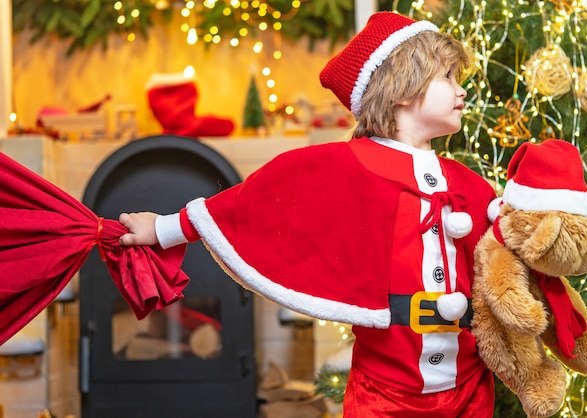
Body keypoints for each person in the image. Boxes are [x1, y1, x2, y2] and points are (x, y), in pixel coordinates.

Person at [118, 11, 497, 417]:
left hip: (470, 387)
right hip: (385, 396)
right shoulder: (345, 166)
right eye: (448, 78)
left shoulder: (470, 186)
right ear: (402, 89)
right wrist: (164, 228)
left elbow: (506, 264)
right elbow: (252, 202)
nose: (462, 92)